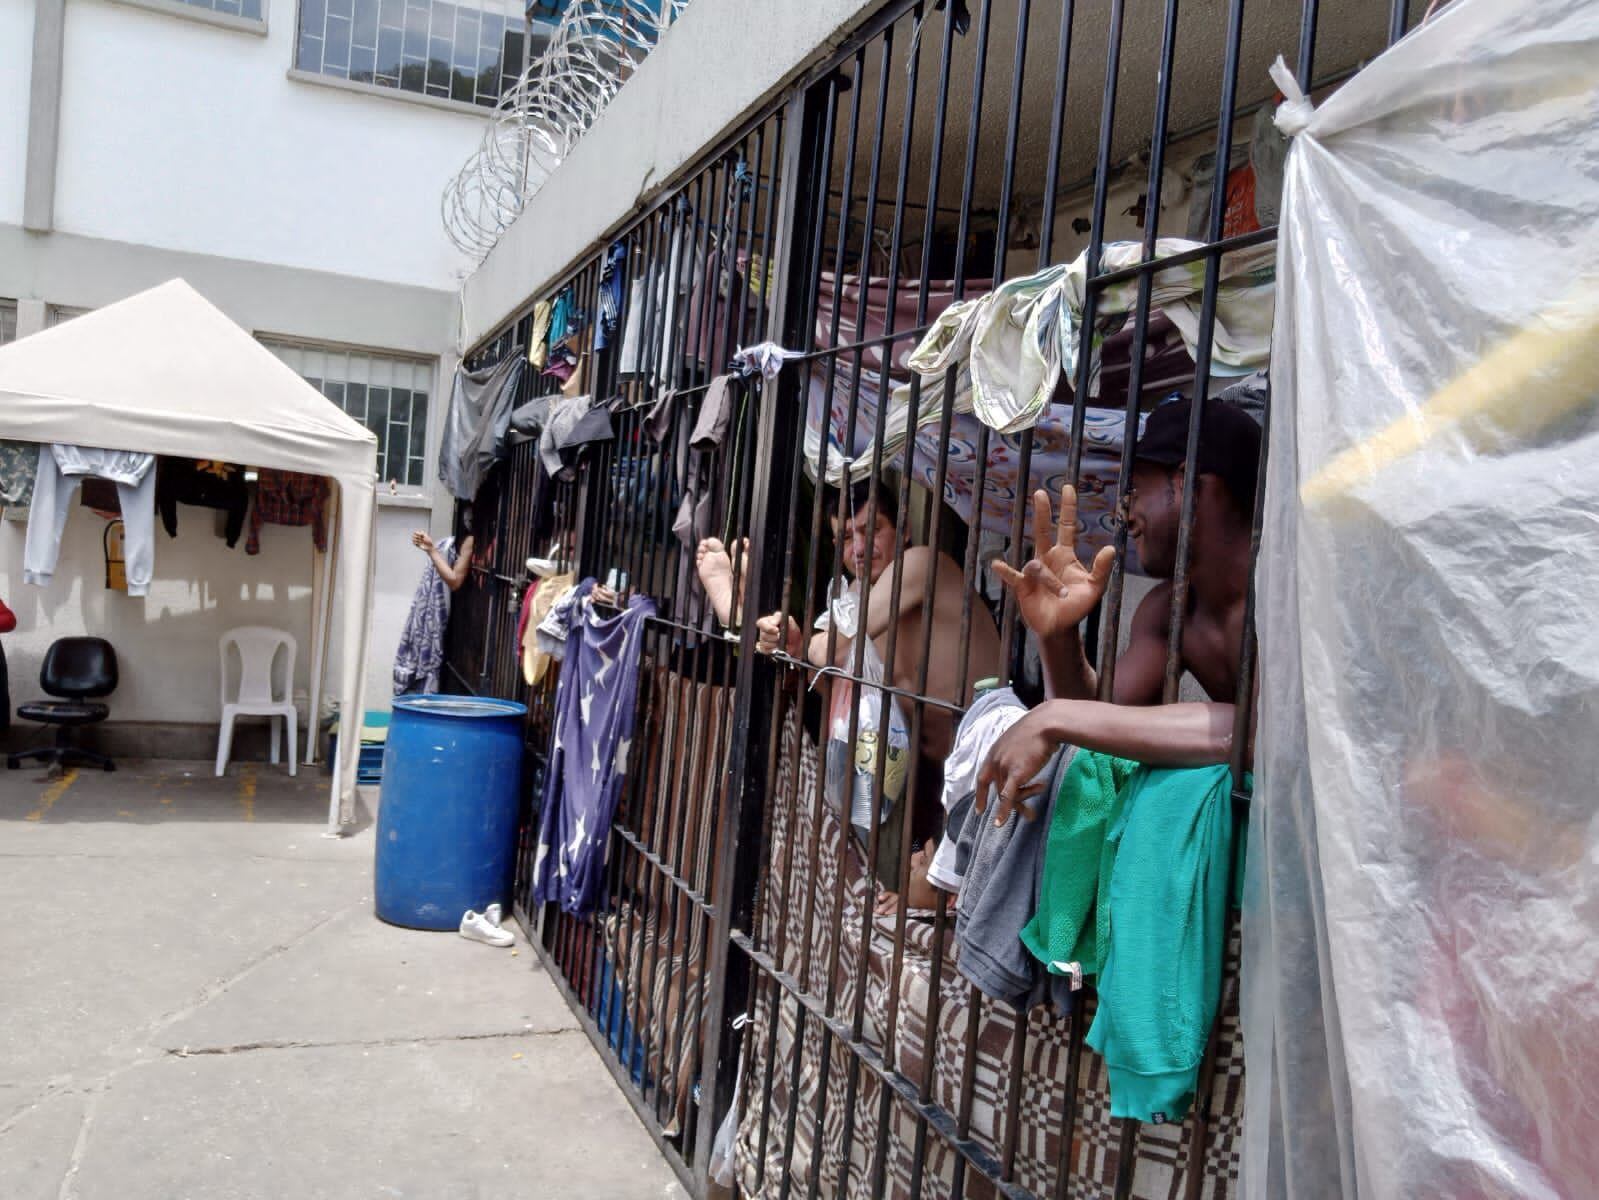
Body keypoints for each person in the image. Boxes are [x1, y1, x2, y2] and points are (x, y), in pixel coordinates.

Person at [976, 396, 1262, 820]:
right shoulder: (1169, 610)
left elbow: (1257, 734)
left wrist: (1054, 716)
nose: (1125, 514)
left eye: (1135, 490)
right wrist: (1057, 634)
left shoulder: (1284, 590)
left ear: (1185, 483)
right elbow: (1100, 723)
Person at [752, 479, 1003, 902]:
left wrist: (801, 644)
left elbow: (834, 646)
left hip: (991, 760)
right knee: (914, 902)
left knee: (974, 906)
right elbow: (843, 698)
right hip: (931, 780)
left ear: (902, 530)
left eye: (873, 529)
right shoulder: (858, 598)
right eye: (846, 537)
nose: (860, 547)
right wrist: (796, 649)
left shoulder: (920, 565)